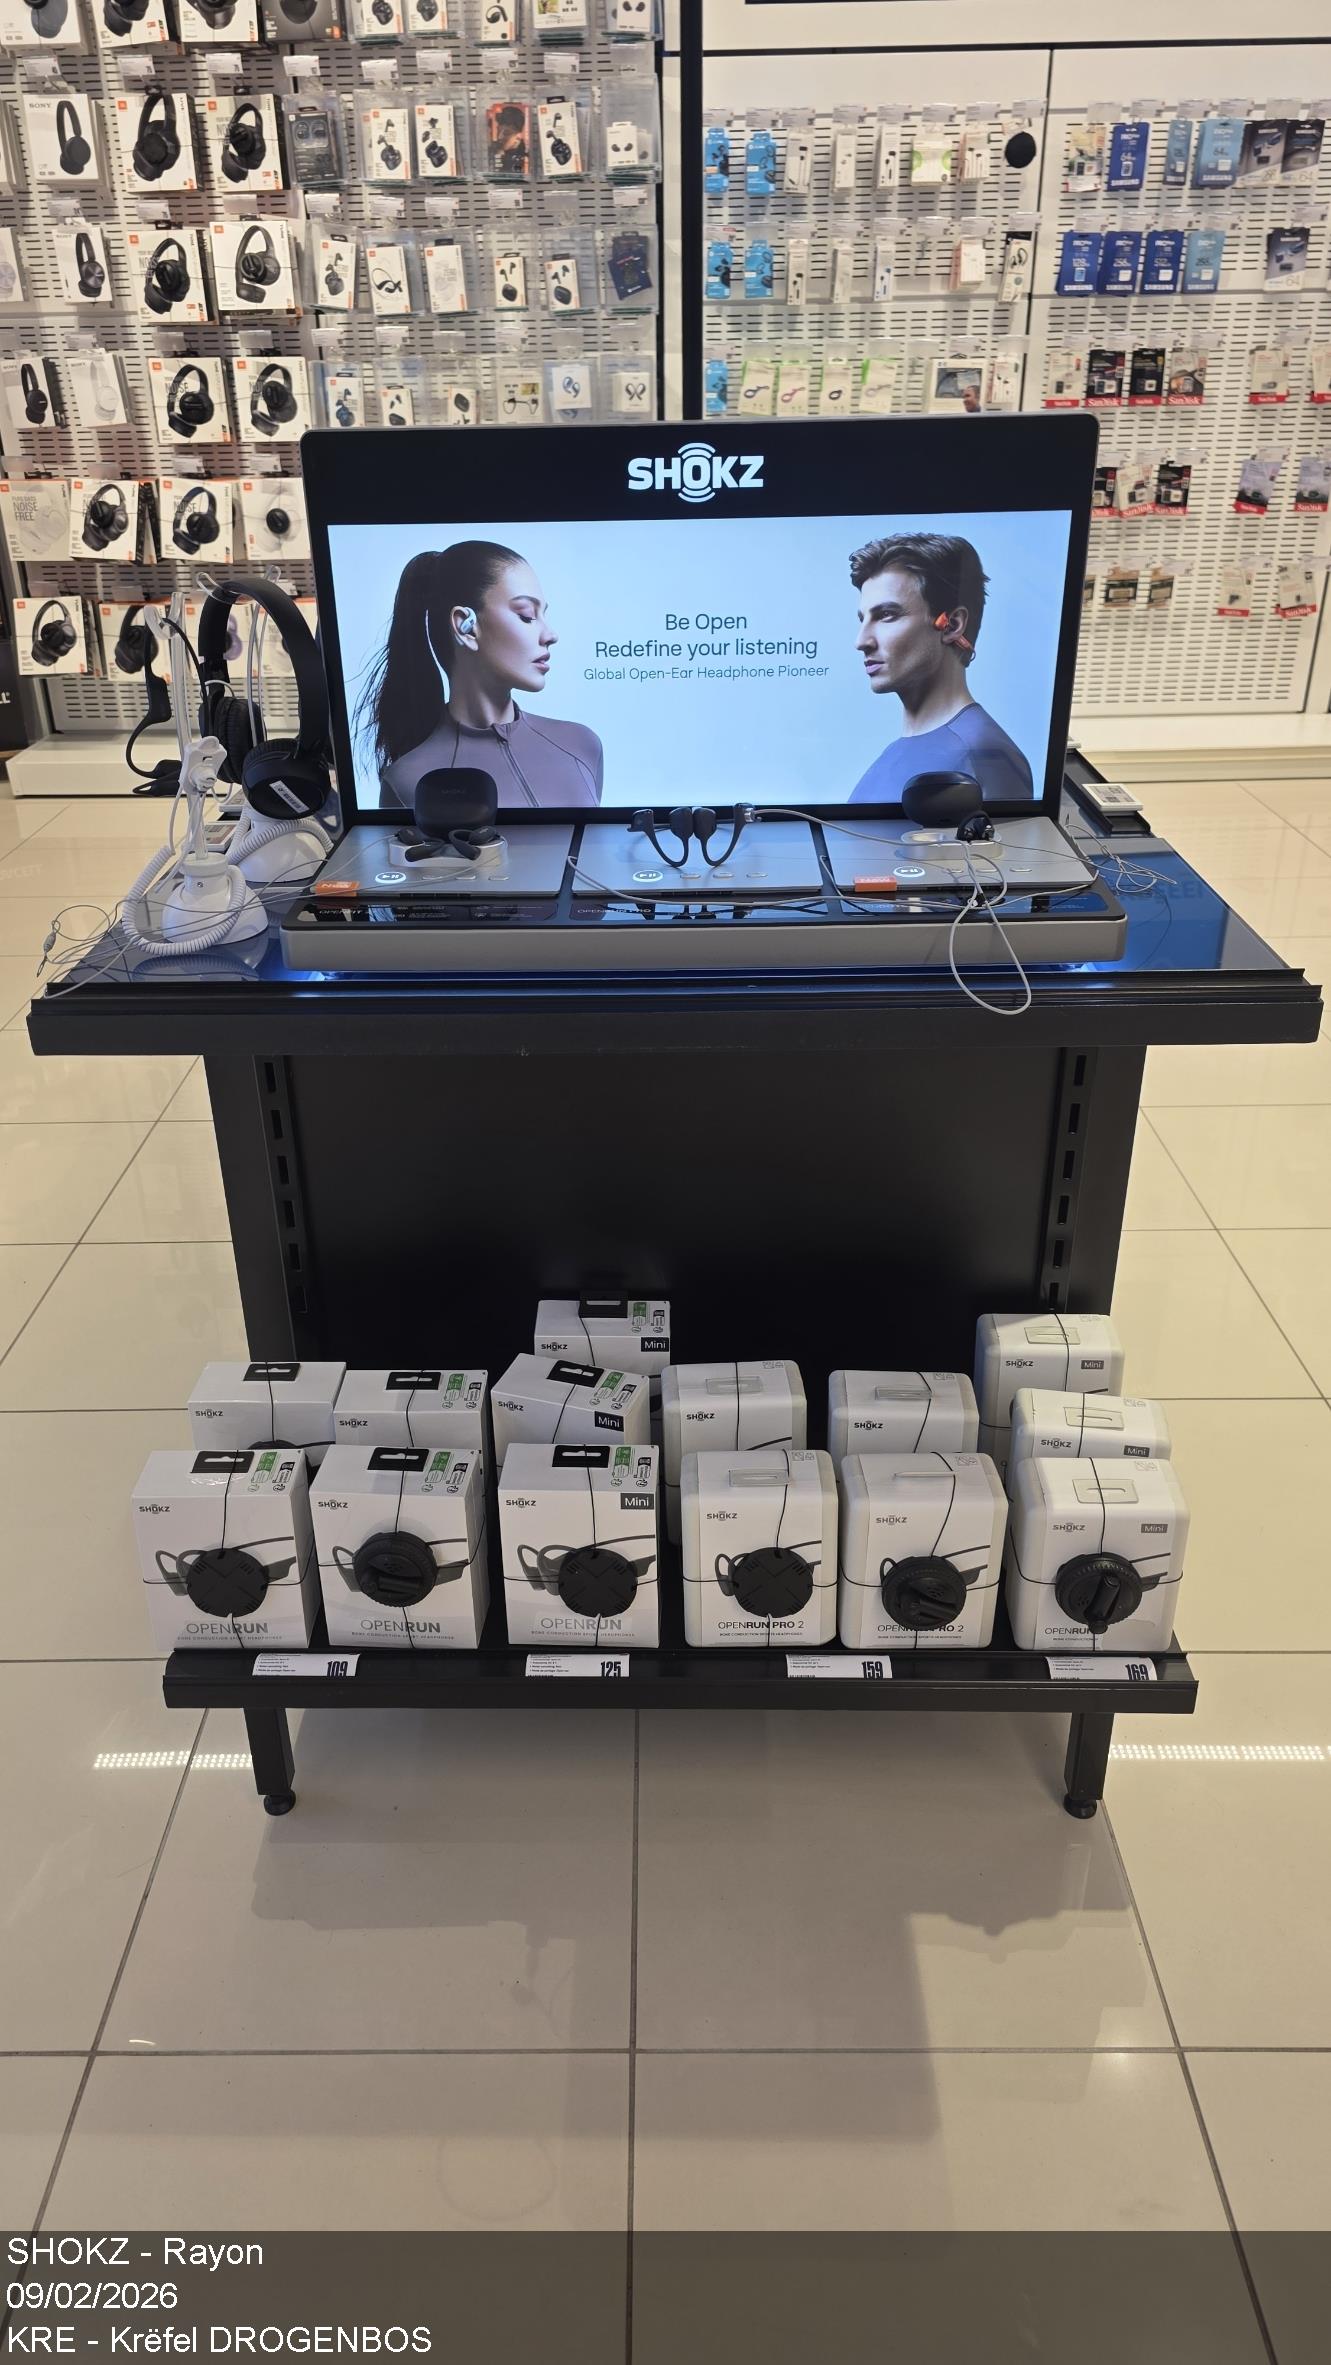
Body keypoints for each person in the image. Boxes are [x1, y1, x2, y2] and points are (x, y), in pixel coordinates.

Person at [357, 541, 603, 810]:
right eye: (526, 616)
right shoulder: (408, 781)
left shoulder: (582, 746)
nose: (550, 635)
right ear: (466, 627)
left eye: (543, 615)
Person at [847, 531, 1034, 805]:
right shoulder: (897, 751)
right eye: (863, 619)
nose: (862, 641)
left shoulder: (985, 754)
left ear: (952, 625)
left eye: (887, 615)